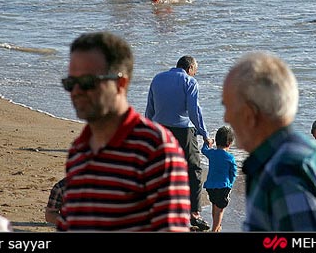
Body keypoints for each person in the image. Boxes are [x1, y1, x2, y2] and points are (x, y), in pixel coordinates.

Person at [58, 32, 190, 231]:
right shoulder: (79, 150)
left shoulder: (156, 149)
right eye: (70, 83)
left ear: (121, 84)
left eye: (87, 82)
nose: (76, 91)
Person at [222, 51, 316, 231]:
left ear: (250, 115)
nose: (226, 118)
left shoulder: (284, 173)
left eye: (227, 107)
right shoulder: (313, 156)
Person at [145, 55, 212, 231]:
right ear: (190, 68)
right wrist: (204, 134)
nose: (194, 75)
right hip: (184, 131)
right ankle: (194, 214)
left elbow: (150, 108)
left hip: (161, 130)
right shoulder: (190, 82)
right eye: (195, 72)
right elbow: (193, 111)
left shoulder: (158, 78)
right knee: (194, 170)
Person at [201, 125, 237, 232]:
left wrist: (207, 142)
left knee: (214, 206)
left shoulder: (212, 153)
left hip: (210, 186)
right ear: (230, 143)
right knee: (220, 210)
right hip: (223, 186)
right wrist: (230, 184)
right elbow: (233, 173)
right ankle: (215, 229)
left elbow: (204, 150)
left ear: (216, 141)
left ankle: (216, 227)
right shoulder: (230, 157)